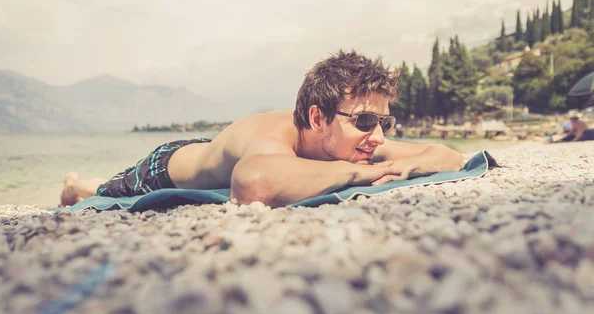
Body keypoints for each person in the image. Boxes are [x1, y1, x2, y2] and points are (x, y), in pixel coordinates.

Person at [60, 50, 463, 208]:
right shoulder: (277, 135)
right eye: (364, 121)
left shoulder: (355, 141)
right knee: (105, 191)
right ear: (318, 117)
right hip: (168, 165)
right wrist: (368, 172)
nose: (378, 137)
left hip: (221, 148)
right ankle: (76, 185)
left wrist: (408, 165)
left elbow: (447, 155)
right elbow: (253, 183)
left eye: (384, 123)